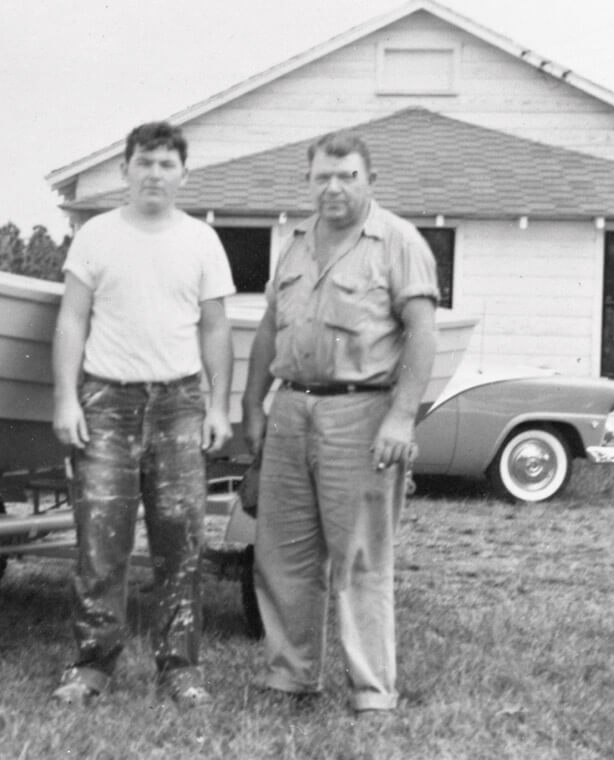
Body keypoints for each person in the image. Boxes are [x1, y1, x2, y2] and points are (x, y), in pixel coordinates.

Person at [241, 129, 439, 712]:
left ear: (370, 180)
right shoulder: (296, 242)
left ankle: (372, 690)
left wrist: (401, 418)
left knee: (360, 558)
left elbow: (422, 333)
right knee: (282, 554)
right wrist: (252, 405)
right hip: (291, 408)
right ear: (308, 181)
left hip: (362, 411)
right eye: (322, 176)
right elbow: (269, 327)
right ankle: (290, 676)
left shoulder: (398, 241)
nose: (333, 187)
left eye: (347, 176)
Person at [50, 121, 236, 707]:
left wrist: (219, 405)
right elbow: (72, 319)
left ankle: (180, 669)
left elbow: (215, 327)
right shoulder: (95, 236)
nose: (154, 174)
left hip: (180, 405)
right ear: (125, 169)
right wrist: (65, 398)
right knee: (100, 543)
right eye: (144, 162)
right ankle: (91, 666)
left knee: (180, 543)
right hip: (106, 402)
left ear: (183, 173)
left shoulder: (202, 240)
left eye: (166, 164)